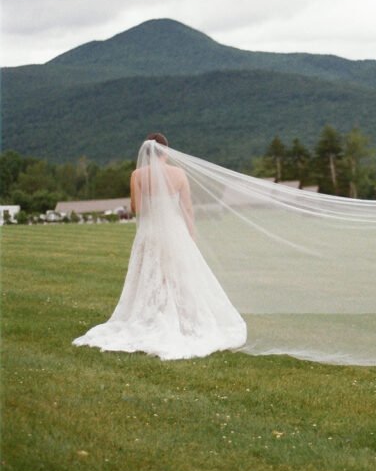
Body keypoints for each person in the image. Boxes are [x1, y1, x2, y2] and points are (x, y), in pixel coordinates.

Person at [73, 133, 247, 360]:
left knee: (150, 275)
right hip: (175, 232)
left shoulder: (137, 175)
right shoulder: (179, 174)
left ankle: (153, 315)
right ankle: (184, 319)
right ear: (166, 152)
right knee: (178, 276)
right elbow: (187, 208)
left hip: (151, 232)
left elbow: (137, 209)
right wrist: (191, 235)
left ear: (146, 153)